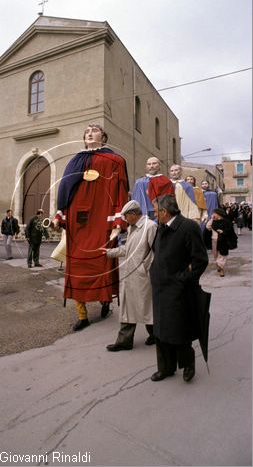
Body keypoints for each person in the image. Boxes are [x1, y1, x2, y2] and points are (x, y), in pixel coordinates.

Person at [53, 124, 129, 331]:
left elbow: (120, 192)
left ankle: (105, 301)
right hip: (78, 224)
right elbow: (65, 191)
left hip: (101, 221)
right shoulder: (75, 160)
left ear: (103, 137)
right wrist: (60, 214)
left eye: (94, 130)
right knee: (76, 269)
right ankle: (82, 315)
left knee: (101, 266)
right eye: (86, 131)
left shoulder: (115, 160)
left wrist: (118, 220)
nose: (89, 133)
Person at [149, 194, 208, 383]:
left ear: (164, 212)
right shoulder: (161, 227)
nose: (154, 213)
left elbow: (200, 261)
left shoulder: (188, 227)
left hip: (178, 290)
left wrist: (182, 280)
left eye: (156, 210)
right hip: (159, 288)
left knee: (179, 330)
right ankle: (165, 368)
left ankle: (188, 365)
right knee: (160, 330)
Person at [102, 200, 157, 351]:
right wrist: (109, 253)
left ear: (133, 214)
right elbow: (128, 248)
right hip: (131, 274)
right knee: (129, 307)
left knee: (146, 307)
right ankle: (125, 341)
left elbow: (157, 251)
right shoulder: (133, 227)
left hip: (143, 276)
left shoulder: (150, 226)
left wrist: (146, 268)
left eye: (126, 216)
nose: (125, 220)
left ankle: (156, 334)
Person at [131, 157, 174, 221]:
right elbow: (135, 200)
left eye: (154, 163)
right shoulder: (139, 182)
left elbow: (170, 201)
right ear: (146, 167)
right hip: (142, 215)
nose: (151, 166)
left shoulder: (166, 182)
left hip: (160, 214)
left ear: (159, 166)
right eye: (149, 164)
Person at [206, 208, 237, 277]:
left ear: (218, 214)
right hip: (214, 240)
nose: (213, 214)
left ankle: (221, 269)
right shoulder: (213, 221)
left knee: (222, 255)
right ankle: (219, 266)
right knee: (215, 255)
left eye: (214, 213)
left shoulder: (226, 222)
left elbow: (230, 230)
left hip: (223, 241)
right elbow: (207, 227)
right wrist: (212, 219)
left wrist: (223, 231)